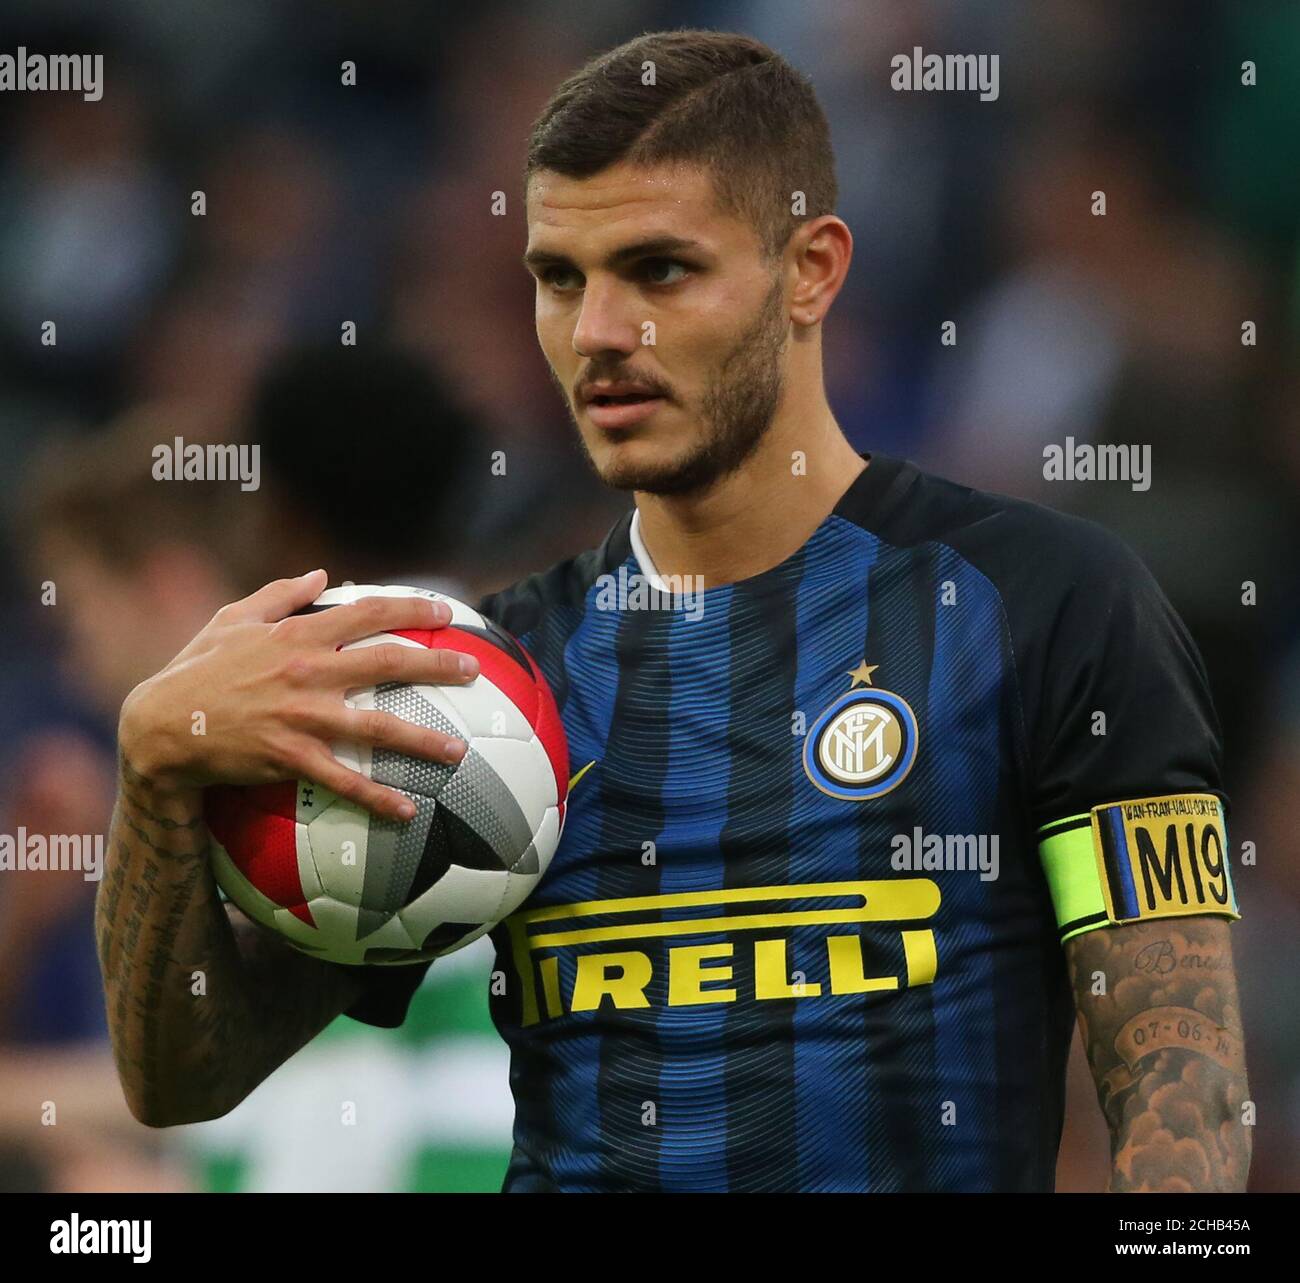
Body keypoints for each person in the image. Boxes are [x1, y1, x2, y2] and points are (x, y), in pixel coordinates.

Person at [99, 30, 1250, 1192]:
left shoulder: (1042, 604)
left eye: (657, 269)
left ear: (811, 269)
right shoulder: (485, 684)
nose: (597, 330)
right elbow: (183, 1079)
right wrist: (154, 771)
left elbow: (1179, 1087)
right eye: (559, 277)